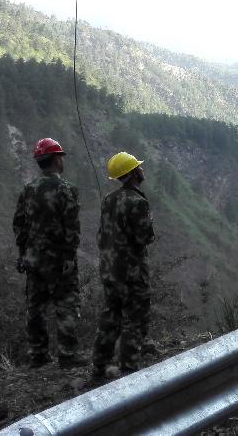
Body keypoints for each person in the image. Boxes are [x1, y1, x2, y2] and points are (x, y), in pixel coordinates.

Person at [12, 137, 85, 368]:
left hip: (33, 260)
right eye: (60, 157)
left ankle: (38, 355)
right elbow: (72, 227)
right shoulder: (66, 189)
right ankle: (68, 355)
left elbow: (19, 225)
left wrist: (24, 253)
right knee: (66, 305)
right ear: (56, 160)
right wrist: (68, 255)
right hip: (59, 261)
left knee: (35, 308)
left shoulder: (29, 189)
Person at [91, 151, 156, 377]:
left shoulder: (109, 200)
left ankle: (99, 364)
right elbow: (144, 237)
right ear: (134, 172)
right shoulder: (138, 202)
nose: (142, 169)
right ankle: (129, 368)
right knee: (135, 318)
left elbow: (103, 235)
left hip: (109, 270)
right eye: (139, 166)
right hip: (132, 272)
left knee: (111, 315)